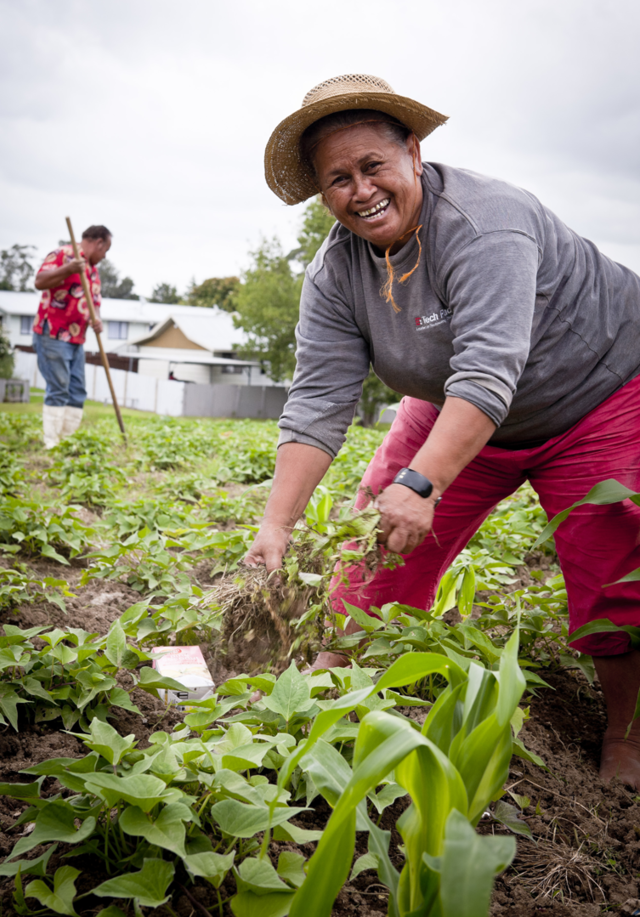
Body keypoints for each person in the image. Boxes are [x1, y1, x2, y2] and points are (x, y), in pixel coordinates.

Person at [245, 74, 640, 788]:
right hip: (456, 401)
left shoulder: (488, 223)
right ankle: (325, 695)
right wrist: (277, 523)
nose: (360, 191)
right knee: (379, 542)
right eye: (338, 179)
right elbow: (317, 401)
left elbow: (491, 369)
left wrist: (423, 480)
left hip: (597, 395)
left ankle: (626, 736)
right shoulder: (336, 272)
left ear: (414, 153)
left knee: (610, 564)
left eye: (373, 166)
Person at [32, 225, 111, 447]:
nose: (105, 256)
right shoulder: (63, 255)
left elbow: (94, 302)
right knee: (59, 389)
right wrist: (67, 270)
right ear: (99, 243)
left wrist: (96, 318)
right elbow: (40, 282)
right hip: (53, 335)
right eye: (106, 250)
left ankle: (67, 443)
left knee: (77, 392)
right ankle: (52, 445)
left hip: (77, 339)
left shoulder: (93, 270)